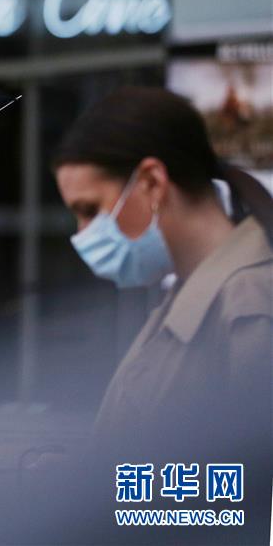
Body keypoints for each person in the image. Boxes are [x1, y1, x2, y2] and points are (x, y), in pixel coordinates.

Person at [40, 86, 272, 544]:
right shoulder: (189, 294)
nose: (82, 234)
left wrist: (103, 488)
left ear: (150, 182)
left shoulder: (249, 303)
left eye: (90, 209)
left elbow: (248, 497)